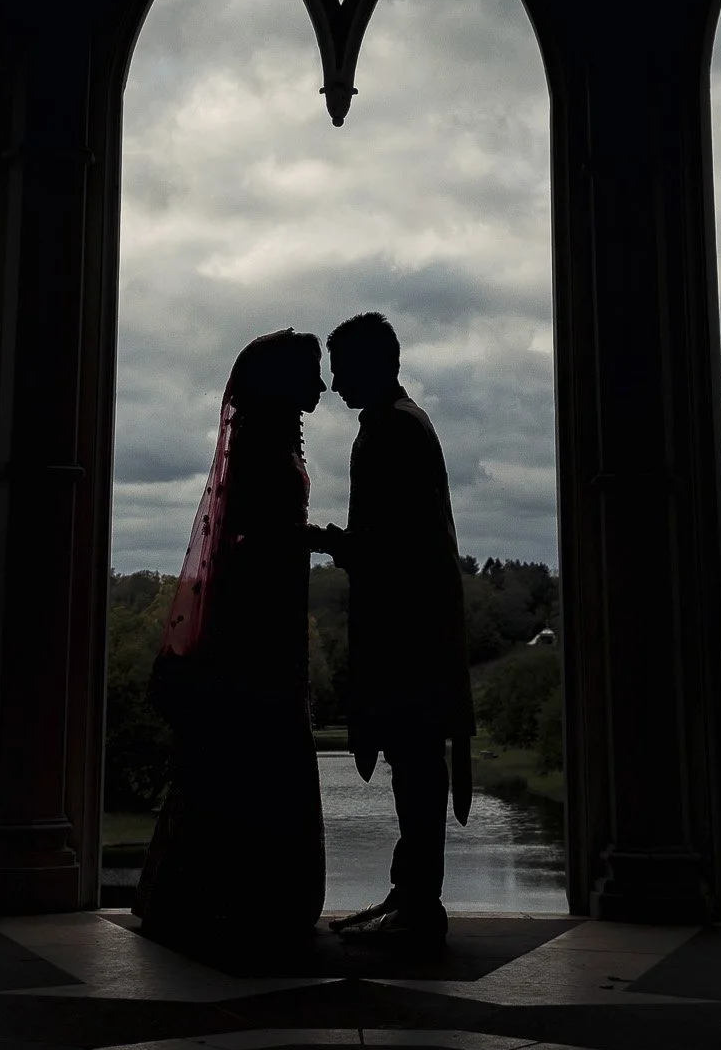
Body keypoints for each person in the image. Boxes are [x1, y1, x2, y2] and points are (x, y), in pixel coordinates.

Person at [135, 329, 327, 947]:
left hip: (269, 621)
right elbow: (262, 539)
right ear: (281, 383)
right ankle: (245, 903)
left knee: (247, 755)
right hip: (256, 630)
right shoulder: (260, 450)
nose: (320, 386)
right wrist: (322, 541)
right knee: (253, 750)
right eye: (310, 375)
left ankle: (236, 899)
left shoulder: (266, 444)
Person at [309, 312, 473, 951]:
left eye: (343, 368)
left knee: (417, 765)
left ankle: (418, 904)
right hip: (415, 629)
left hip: (411, 636)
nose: (333, 383)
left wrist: (325, 541)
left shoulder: (392, 430)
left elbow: (395, 545)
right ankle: (410, 895)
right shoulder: (397, 423)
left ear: (375, 366)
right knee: (415, 765)